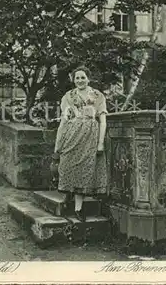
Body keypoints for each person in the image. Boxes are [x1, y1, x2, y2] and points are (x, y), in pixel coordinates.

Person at [52, 66, 108, 222]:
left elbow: (103, 121)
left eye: (83, 77)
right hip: (71, 135)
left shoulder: (97, 96)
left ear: (88, 78)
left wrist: (100, 143)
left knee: (84, 169)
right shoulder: (68, 96)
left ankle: (78, 208)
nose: (80, 80)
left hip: (90, 136)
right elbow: (64, 122)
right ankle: (67, 196)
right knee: (67, 165)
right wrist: (58, 143)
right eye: (77, 78)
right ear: (73, 80)